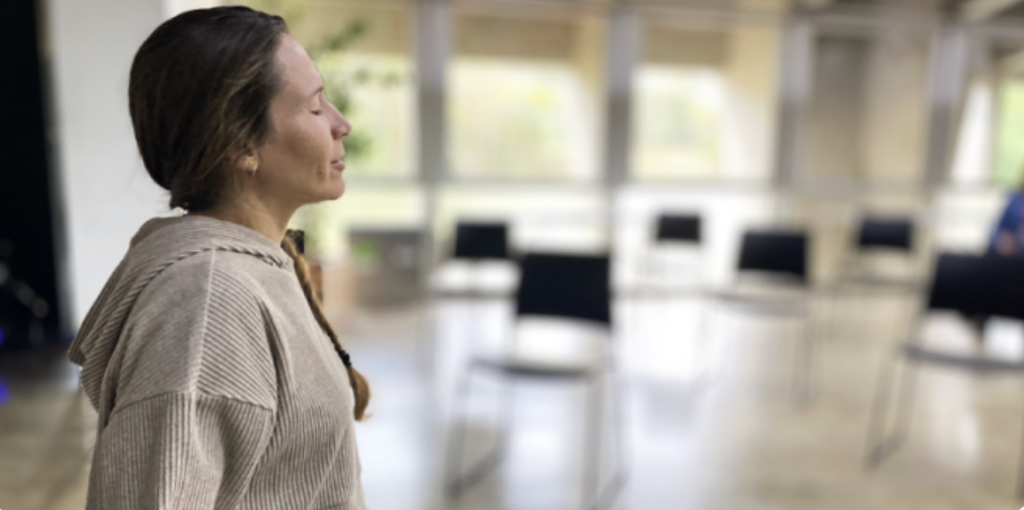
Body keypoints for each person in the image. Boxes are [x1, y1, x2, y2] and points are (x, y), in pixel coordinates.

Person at [67, 6, 370, 509]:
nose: (343, 124)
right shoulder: (207, 307)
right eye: (315, 107)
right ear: (240, 142)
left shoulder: (251, 269)